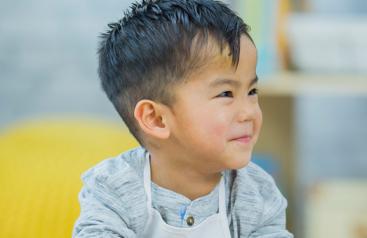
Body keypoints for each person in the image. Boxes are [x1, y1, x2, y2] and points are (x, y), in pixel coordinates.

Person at [73, 0, 293, 237]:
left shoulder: (257, 193)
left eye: (252, 92)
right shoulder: (114, 188)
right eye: (226, 93)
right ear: (156, 119)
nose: (249, 112)